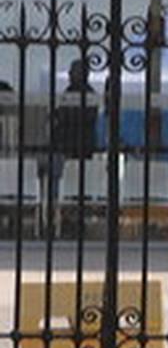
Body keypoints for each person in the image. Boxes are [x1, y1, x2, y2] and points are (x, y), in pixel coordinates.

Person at [40, 58, 98, 236]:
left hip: (77, 146)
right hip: (67, 146)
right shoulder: (72, 92)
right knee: (68, 184)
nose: (70, 75)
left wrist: (60, 118)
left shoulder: (87, 94)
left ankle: (74, 221)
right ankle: (65, 219)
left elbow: (78, 118)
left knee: (76, 185)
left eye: (74, 71)